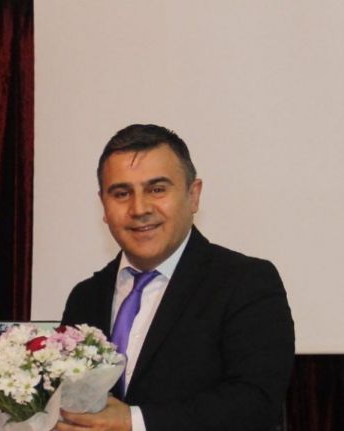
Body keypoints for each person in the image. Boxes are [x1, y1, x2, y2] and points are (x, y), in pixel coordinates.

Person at [58, 124, 294, 431]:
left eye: (157, 189)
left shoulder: (245, 283)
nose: (139, 208)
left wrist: (134, 422)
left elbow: (256, 403)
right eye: (121, 193)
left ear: (193, 196)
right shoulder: (85, 296)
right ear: (103, 204)